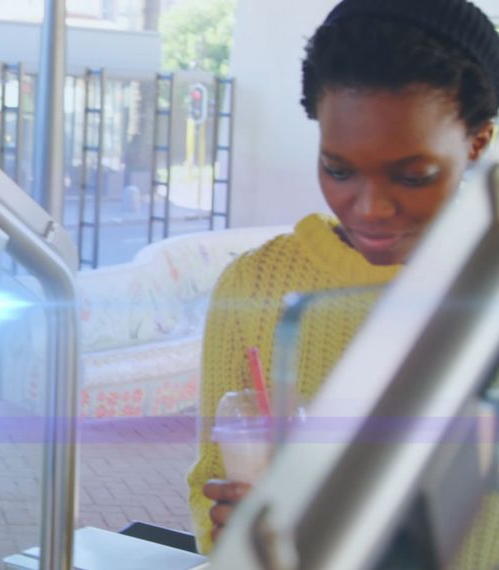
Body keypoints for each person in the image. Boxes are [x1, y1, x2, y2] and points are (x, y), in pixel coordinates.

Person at [186, 0, 499, 565]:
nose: (371, 207)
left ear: (477, 143)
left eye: (412, 175)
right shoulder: (256, 287)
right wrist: (240, 534)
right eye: (338, 169)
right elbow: (212, 482)